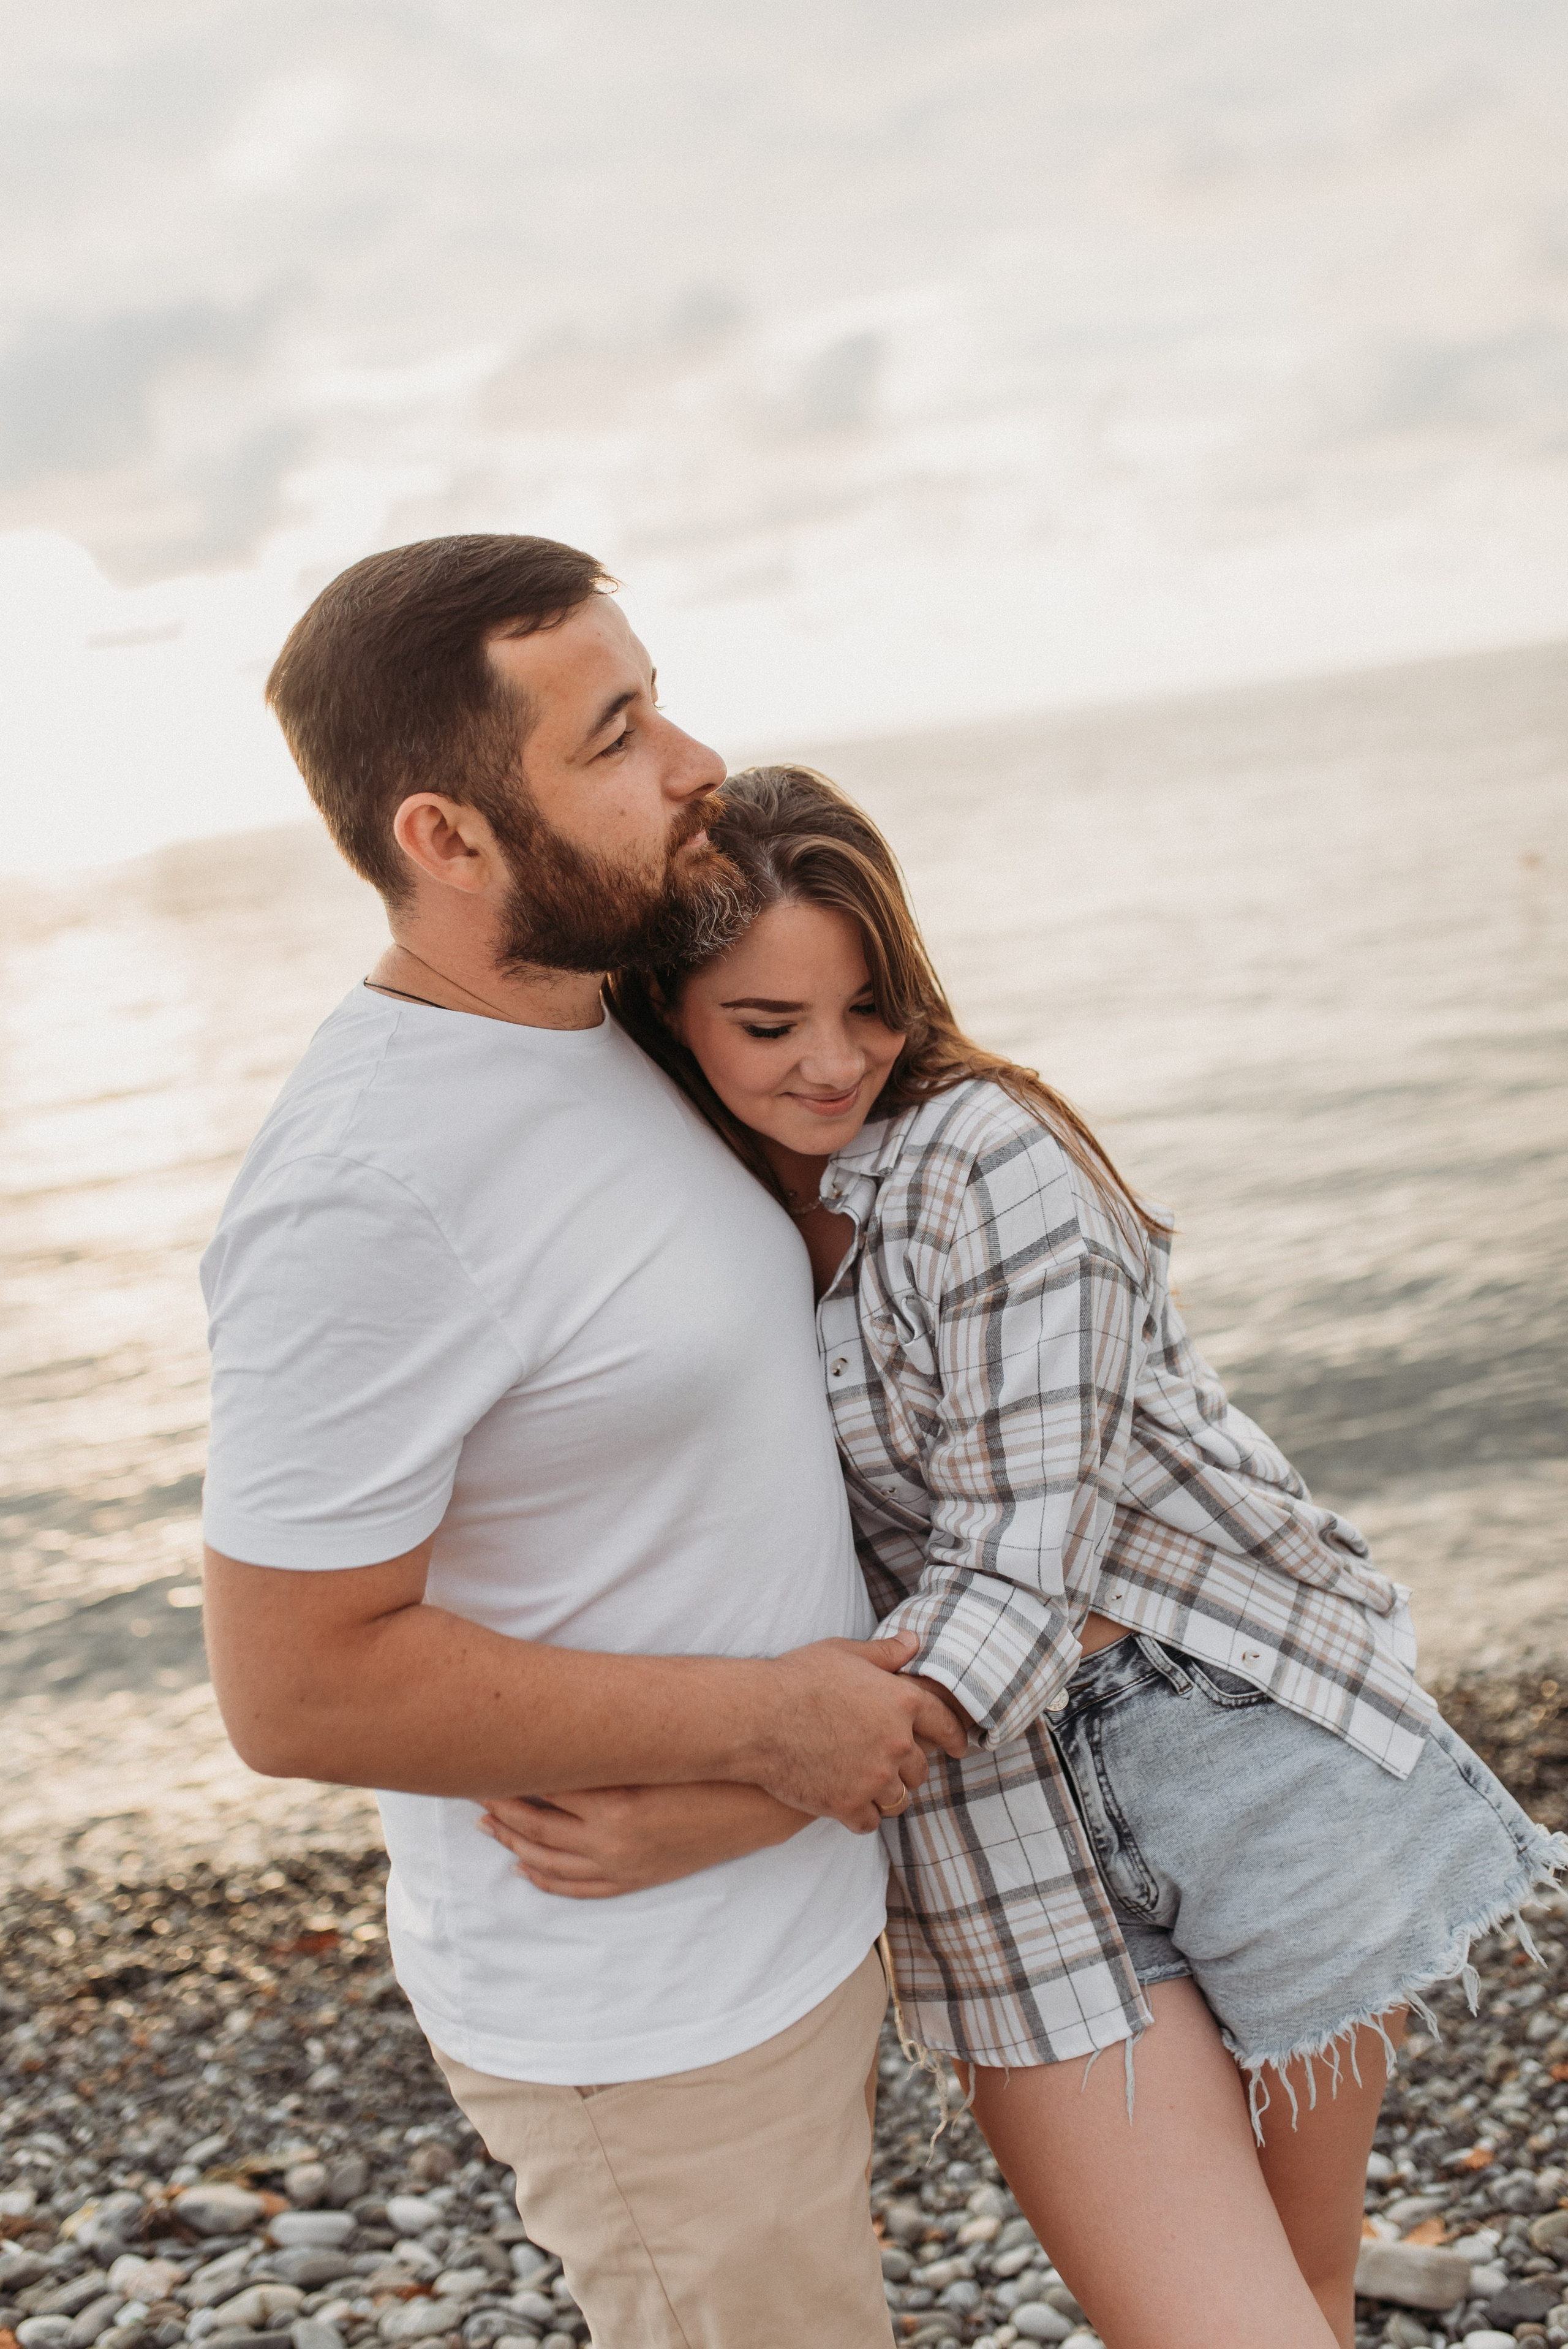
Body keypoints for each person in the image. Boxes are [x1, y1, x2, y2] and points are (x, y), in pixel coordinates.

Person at [481, 763, 1567, 2349]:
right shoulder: (694, 1219)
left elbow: (1018, 1573)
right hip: (987, 1831)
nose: (834, 1060)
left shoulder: (984, 1156)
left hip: (1232, 1737)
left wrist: (726, 1800)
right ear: (667, 1016)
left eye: (866, 1004)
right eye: (767, 1024)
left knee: (1307, 2292)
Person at [198, 540, 970, 2349]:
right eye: (615, 735)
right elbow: (293, 1687)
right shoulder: (366, 1189)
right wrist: (769, 1725)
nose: (695, 758)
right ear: (445, 838)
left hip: (782, 1904)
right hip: (646, 2013)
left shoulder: (604, 1017)